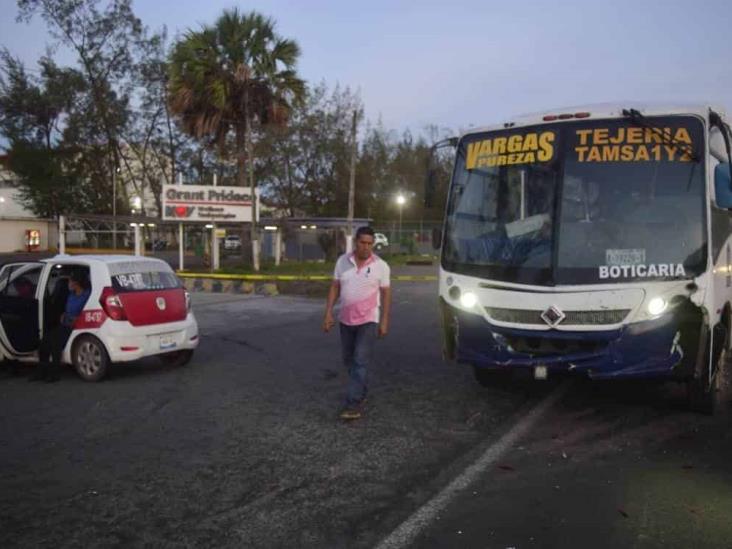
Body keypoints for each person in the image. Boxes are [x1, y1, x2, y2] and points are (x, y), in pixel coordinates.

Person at [323, 226, 391, 420]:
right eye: (362, 243)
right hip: (346, 320)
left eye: (370, 244)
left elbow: (386, 293)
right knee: (349, 360)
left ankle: (352, 404)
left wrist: (384, 319)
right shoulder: (342, 262)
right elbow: (335, 287)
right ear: (355, 243)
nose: (366, 247)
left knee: (360, 360)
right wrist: (328, 312)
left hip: (368, 319)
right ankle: (360, 392)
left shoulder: (381, 266)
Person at [30, 270, 91, 383]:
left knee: (55, 343)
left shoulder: (87, 295)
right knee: (44, 341)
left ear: (77, 283)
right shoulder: (71, 295)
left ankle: (54, 373)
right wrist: (63, 315)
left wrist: (75, 319)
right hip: (65, 323)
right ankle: (41, 371)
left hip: (76, 327)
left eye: (70, 281)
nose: (68, 283)